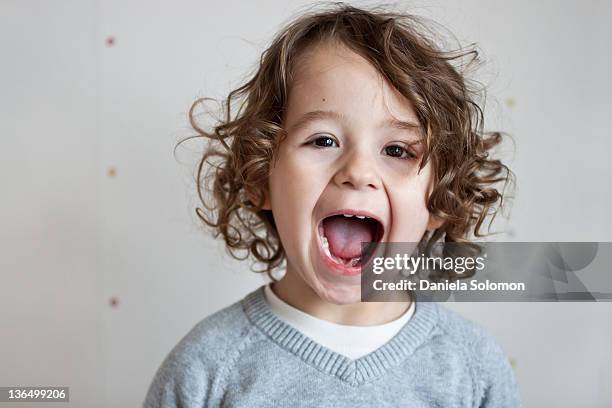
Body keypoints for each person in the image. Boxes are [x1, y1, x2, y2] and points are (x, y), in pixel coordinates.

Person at [143, 3, 521, 407]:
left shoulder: (474, 369)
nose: (358, 171)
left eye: (396, 149)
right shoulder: (205, 371)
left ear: (440, 199)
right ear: (259, 179)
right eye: (323, 140)